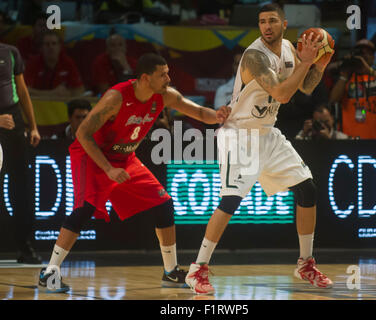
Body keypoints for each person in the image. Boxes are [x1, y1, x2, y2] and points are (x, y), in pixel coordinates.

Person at [37, 53, 231, 293]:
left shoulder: (164, 95)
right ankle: (49, 272)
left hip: (124, 158)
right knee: (85, 208)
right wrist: (108, 169)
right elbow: (82, 134)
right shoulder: (116, 97)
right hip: (92, 155)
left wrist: (218, 116)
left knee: (163, 204)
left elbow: (201, 113)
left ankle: (170, 272)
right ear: (145, 78)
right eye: (163, 74)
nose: (169, 78)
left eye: (168, 72)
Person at [185, 3, 334, 294]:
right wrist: (306, 63)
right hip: (238, 134)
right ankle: (196, 269)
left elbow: (304, 88)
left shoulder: (291, 49)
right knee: (230, 202)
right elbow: (282, 93)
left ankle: (305, 263)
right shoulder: (254, 56)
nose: (266, 26)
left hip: (266, 132)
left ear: (284, 24)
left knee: (308, 190)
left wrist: (319, 65)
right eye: (262, 21)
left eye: (272, 21)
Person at [0, 43, 41, 263]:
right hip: (0, 120)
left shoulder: (11, 51)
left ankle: (25, 246)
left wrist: (32, 126)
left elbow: (22, 90)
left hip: (13, 120)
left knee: (21, 186)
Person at [329, 39, 376, 139]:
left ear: (373, 58)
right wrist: (345, 74)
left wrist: (369, 71)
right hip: (350, 138)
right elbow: (333, 99)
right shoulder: (346, 77)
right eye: (360, 53)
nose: (363, 56)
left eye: (368, 53)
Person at [24, 30, 85, 98]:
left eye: (54, 43)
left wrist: (68, 93)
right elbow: (24, 90)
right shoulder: (33, 63)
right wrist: (52, 93)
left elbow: (80, 89)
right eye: (47, 44)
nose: (51, 47)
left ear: (59, 47)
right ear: (41, 48)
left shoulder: (67, 62)